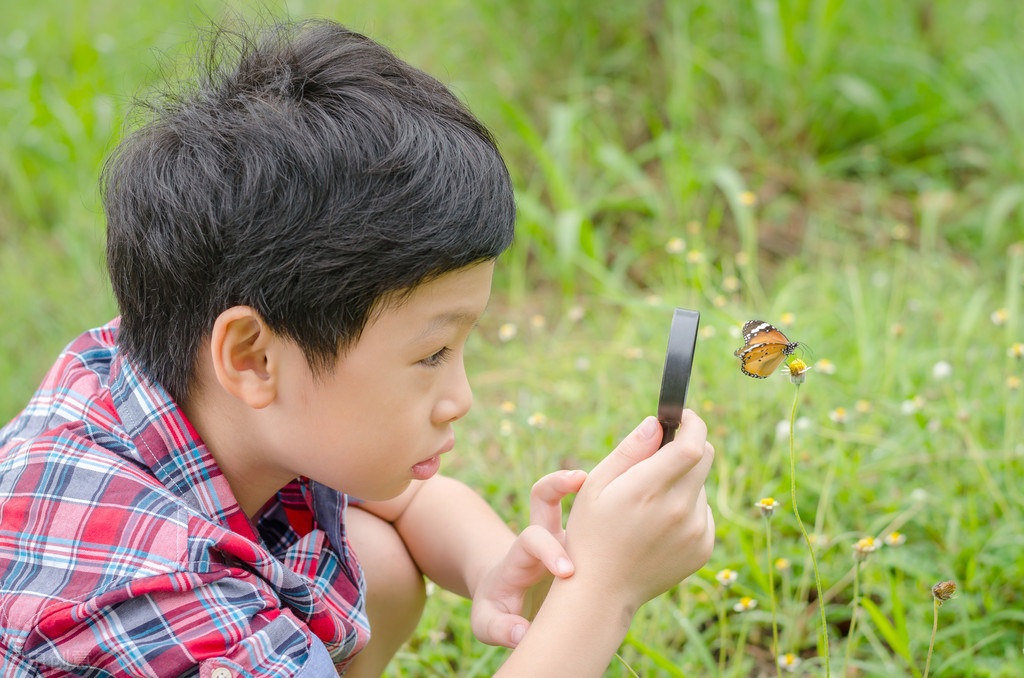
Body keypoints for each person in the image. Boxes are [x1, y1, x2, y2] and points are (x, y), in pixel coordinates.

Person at [0, 18, 715, 677]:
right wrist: (602, 591)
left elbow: (408, 500)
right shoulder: (171, 613)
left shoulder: (159, 377)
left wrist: (495, 562)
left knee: (380, 564)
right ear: (250, 356)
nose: (461, 397)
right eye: (432, 354)